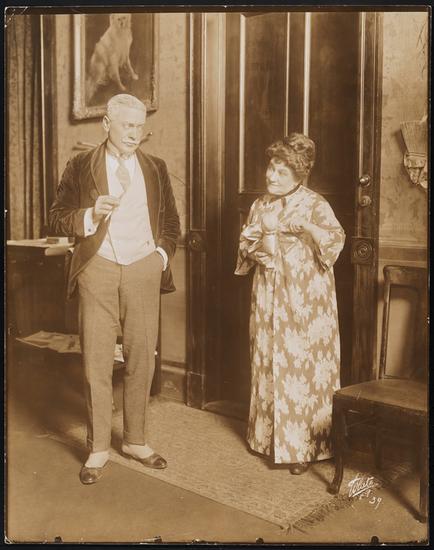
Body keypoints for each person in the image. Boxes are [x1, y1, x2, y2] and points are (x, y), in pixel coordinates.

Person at [49, 94, 180, 484]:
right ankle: (98, 448)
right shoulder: (81, 165)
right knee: (97, 360)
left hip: (143, 268)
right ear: (107, 124)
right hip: (98, 268)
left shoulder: (155, 167)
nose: (134, 134)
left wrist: (159, 257)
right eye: (127, 126)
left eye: (140, 126)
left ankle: (136, 441)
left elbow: (171, 223)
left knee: (142, 357)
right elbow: (56, 217)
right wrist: (90, 214)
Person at [235, 133, 345, 475]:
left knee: (303, 367)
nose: (272, 176)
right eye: (271, 168)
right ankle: (267, 440)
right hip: (268, 293)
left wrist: (309, 227)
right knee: (268, 358)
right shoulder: (260, 205)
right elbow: (246, 249)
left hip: (306, 298)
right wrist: (260, 241)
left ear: (300, 175)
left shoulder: (315, 204)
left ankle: (304, 449)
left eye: (281, 172)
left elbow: (335, 242)